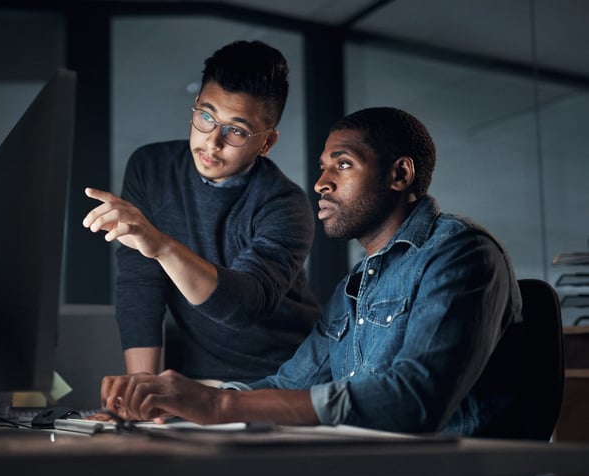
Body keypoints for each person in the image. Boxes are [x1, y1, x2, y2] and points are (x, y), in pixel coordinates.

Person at [96, 107, 524, 436]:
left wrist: (221, 408)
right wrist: (189, 399)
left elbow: (413, 401)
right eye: (322, 166)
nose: (320, 182)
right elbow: (287, 384)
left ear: (400, 174)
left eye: (342, 164)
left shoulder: (462, 253)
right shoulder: (354, 288)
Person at [82, 40, 320, 384]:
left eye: (236, 130)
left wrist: (161, 246)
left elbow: (243, 307)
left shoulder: (285, 205)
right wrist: (142, 387)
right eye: (206, 116)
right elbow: (140, 284)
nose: (212, 141)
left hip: (289, 377)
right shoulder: (151, 168)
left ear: (266, 143)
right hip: (202, 380)